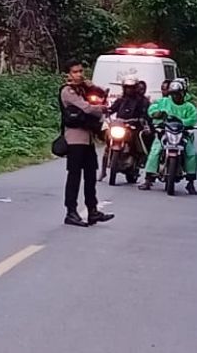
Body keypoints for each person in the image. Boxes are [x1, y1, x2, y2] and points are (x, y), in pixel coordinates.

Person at [60, 59, 115, 228]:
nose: (79, 74)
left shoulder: (82, 89)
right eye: (75, 72)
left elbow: (99, 94)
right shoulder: (67, 91)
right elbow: (86, 108)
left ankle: (93, 210)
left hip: (88, 138)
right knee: (74, 177)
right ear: (68, 74)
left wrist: (91, 87)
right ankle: (71, 212)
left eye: (81, 71)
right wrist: (102, 108)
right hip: (75, 139)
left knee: (91, 176)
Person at [138, 77, 197, 194]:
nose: (176, 96)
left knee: (191, 153)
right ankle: (148, 179)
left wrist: (182, 122)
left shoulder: (189, 106)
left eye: (178, 93)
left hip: (182, 134)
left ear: (183, 93)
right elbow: (152, 109)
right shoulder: (164, 102)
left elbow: (193, 119)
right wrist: (157, 114)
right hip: (165, 132)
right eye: (173, 94)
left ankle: (190, 182)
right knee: (155, 150)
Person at [101, 76, 150, 180]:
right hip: (120, 125)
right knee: (108, 142)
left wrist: (141, 119)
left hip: (134, 126)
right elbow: (112, 109)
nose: (129, 89)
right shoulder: (120, 100)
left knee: (139, 139)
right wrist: (107, 111)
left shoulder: (142, 101)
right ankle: (103, 171)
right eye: (127, 87)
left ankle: (138, 158)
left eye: (132, 87)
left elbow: (146, 113)